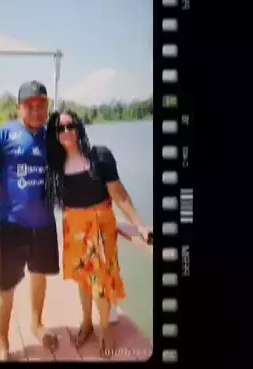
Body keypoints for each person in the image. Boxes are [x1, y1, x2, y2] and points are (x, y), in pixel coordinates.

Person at [44, 110, 153, 357]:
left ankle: (105, 328)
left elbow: (119, 195)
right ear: (54, 135)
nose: (66, 132)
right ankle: (86, 322)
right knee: (83, 279)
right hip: (74, 227)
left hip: (100, 225)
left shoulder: (99, 156)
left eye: (70, 126)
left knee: (101, 281)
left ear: (79, 127)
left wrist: (139, 225)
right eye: (60, 129)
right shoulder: (55, 166)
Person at [0, 80, 60, 361]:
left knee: (39, 276)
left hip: (45, 224)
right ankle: (2, 341)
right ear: (19, 108)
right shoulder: (2, 136)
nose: (36, 111)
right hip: (12, 225)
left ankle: (37, 324)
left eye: (41, 105)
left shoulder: (55, 138)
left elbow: (74, 166)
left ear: (48, 107)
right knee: (6, 285)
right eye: (30, 105)